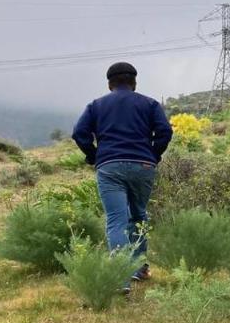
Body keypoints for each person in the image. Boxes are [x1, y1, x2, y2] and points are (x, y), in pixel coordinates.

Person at [71, 62, 173, 286]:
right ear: (134, 82)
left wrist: (94, 155)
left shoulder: (96, 105)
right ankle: (140, 269)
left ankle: (120, 281)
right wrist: (153, 154)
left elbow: (79, 133)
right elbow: (165, 131)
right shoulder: (150, 104)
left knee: (117, 220)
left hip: (110, 167)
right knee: (138, 216)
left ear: (109, 84)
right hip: (143, 166)